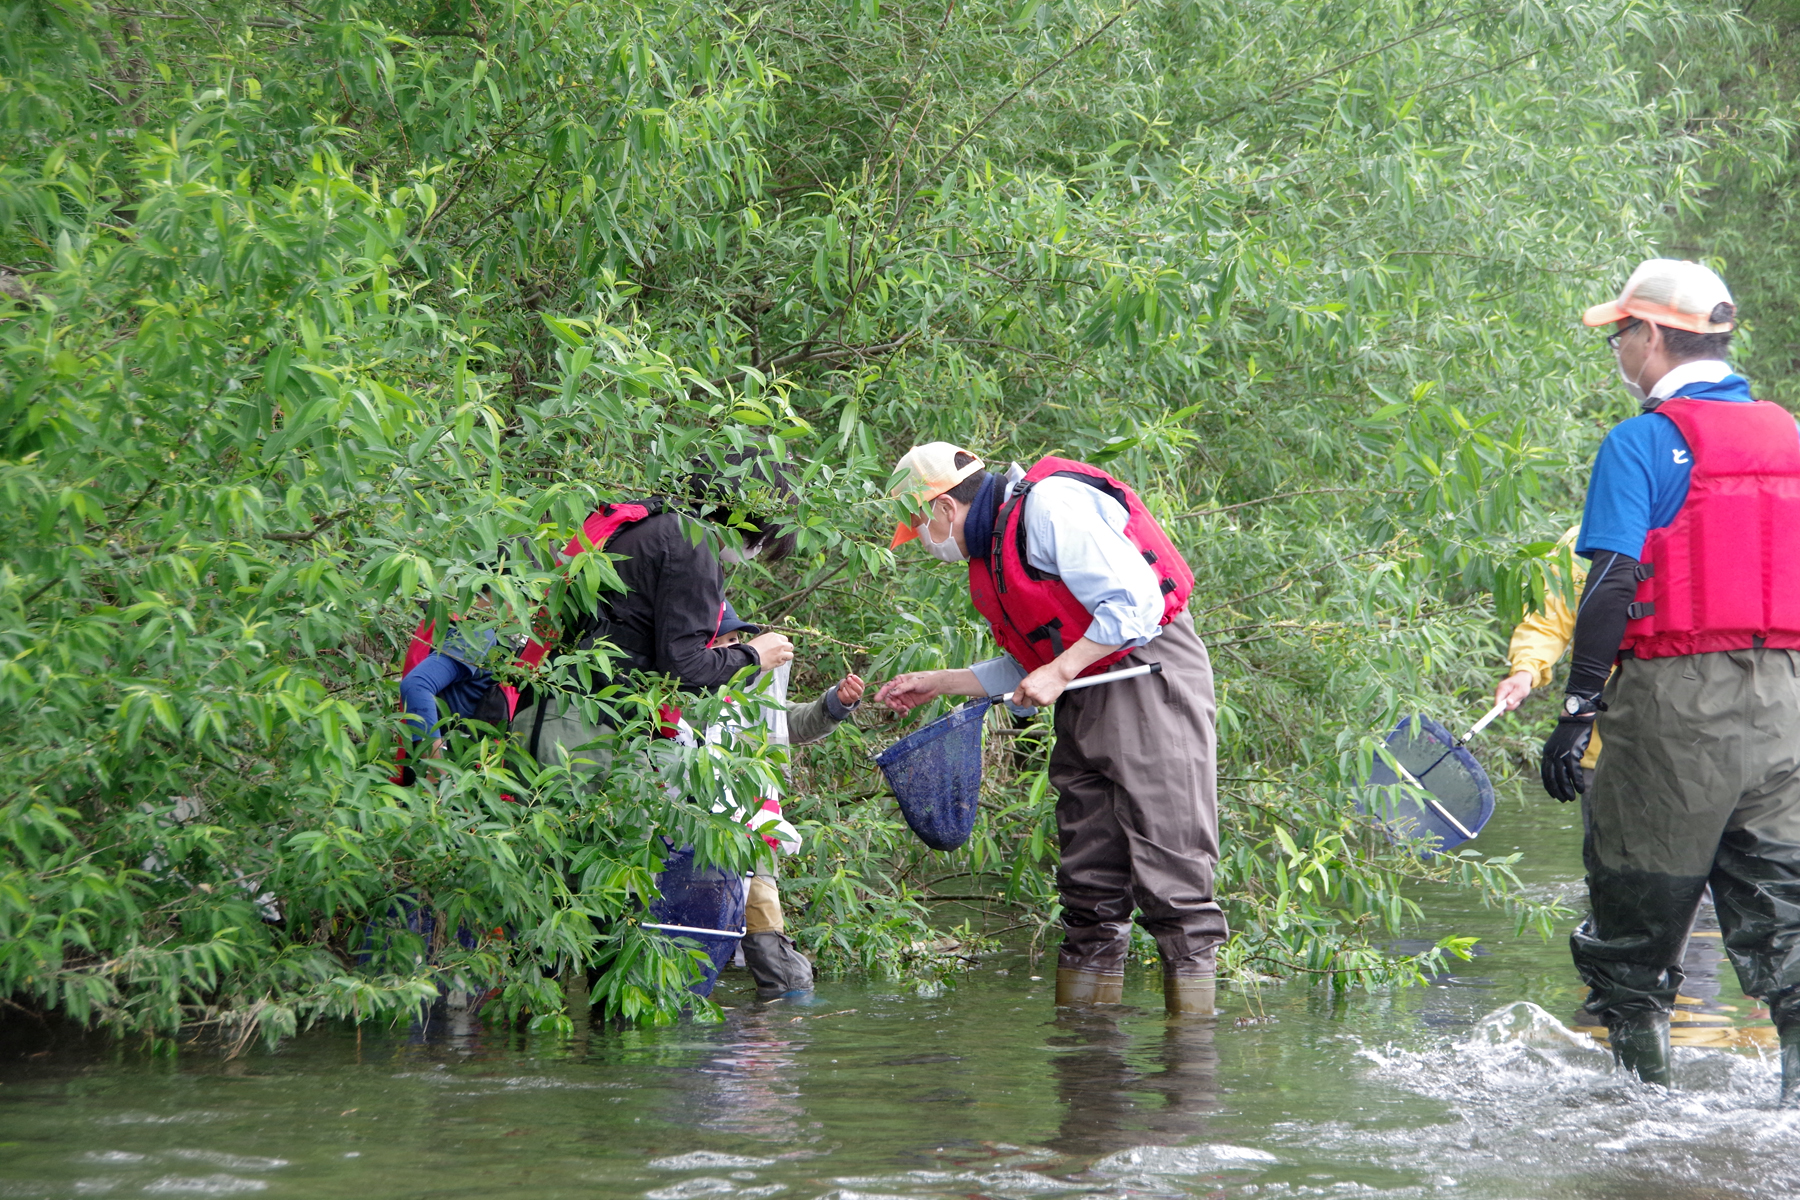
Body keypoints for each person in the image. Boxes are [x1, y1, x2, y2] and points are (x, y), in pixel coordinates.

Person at [1547, 258, 1800, 1097]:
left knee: (1634, 942)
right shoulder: (1790, 435)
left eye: (1621, 333)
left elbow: (1614, 584)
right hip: (1788, 703)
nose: (1618, 350)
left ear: (1650, 335)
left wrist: (1578, 708)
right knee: (1789, 938)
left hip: (1676, 708)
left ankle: (1638, 1134)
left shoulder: (1643, 443)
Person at [873, 443, 1225, 1015]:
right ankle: (1086, 1066)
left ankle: (1188, 1072)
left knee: (1175, 884)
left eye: (920, 529)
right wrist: (941, 681)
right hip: (1088, 694)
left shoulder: (1050, 505)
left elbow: (1133, 605)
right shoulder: (997, 543)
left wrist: (1060, 671)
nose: (927, 545)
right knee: (1088, 891)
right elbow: (1038, 658)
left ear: (941, 509)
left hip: (1150, 680)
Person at [1495, 525, 1729, 1043]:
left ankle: (1677, 1027)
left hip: (1702, 749)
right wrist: (1526, 672)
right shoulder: (1585, 539)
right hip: (1607, 750)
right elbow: (1550, 619)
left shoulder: (1719, 530)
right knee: (1615, 891)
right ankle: (1617, 1030)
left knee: (1699, 896)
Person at [709, 601, 866, 999]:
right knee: (689, 939)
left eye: (738, 639)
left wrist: (836, 704)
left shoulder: (753, 693)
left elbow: (789, 723)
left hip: (751, 834)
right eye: (724, 641)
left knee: (770, 945)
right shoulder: (680, 693)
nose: (736, 647)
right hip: (692, 835)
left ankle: (783, 1020)